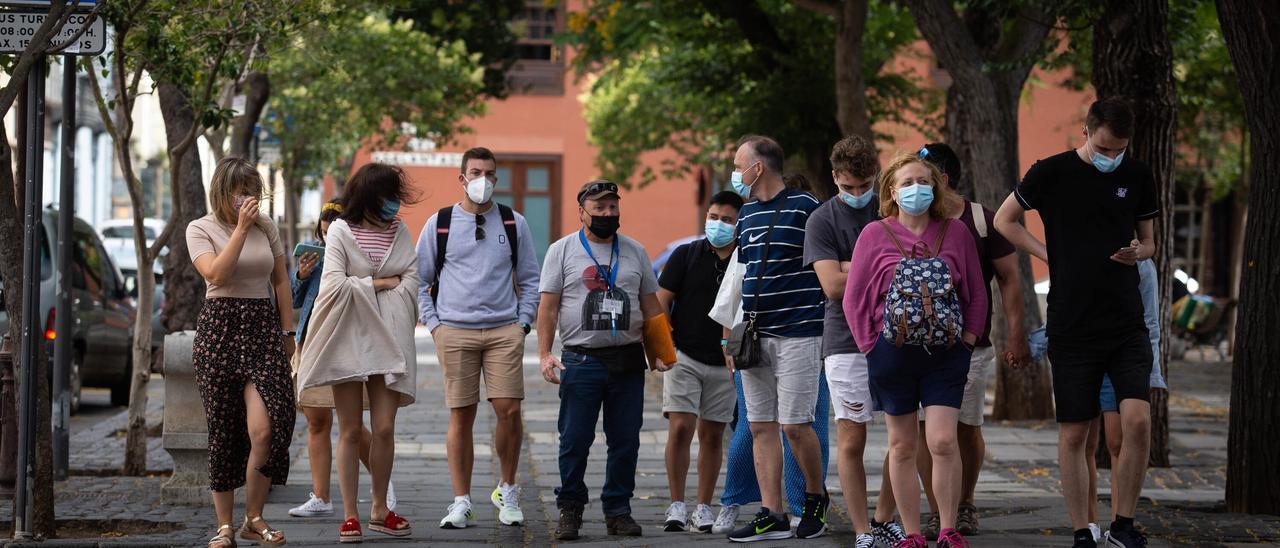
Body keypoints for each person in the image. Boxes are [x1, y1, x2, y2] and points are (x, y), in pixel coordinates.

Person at [994, 97, 1158, 548]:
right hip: (1071, 322)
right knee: (1075, 432)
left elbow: (1150, 242)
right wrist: (1048, 254)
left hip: (1126, 322)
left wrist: (1137, 253)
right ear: (1086, 132)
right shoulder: (1051, 171)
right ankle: (1082, 530)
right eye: (1104, 149)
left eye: (1119, 151)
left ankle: (1123, 525)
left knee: (1137, 421)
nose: (1111, 158)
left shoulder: (1138, 175)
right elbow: (1005, 220)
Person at [844, 152, 987, 548]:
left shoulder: (956, 233)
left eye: (923, 181)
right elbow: (854, 299)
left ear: (936, 186)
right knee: (902, 445)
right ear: (891, 190)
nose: (915, 189)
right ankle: (910, 534)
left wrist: (968, 341)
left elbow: (975, 292)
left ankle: (946, 527)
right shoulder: (874, 235)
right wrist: (870, 347)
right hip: (891, 355)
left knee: (942, 441)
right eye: (906, 183)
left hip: (947, 356)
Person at [538, 180, 676, 540]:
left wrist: (660, 352)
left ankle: (618, 510)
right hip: (581, 360)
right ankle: (570, 508)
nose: (607, 214)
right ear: (582, 211)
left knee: (626, 440)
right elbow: (548, 307)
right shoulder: (562, 250)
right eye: (599, 208)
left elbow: (650, 306)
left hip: (627, 360)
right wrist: (544, 354)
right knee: (574, 440)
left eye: (613, 207)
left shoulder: (635, 252)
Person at [416, 147, 541, 529]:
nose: (482, 180)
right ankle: (461, 500)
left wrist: (522, 325)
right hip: (454, 329)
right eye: (475, 172)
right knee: (461, 415)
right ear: (462, 177)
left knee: (510, 410)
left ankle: (507, 488)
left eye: (489, 173)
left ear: (495, 179)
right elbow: (420, 282)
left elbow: (530, 280)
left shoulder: (512, 222)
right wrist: (435, 326)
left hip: (504, 330)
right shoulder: (439, 223)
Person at [297, 163, 420, 543]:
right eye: (387, 195)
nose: (394, 203)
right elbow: (331, 287)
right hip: (346, 341)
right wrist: (381, 283)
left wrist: (363, 286)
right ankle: (350, 514)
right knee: (350, 429)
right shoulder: (340, 232)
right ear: (369, 196)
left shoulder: (400, 231)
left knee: (384, 428)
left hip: (390, 342)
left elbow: (412, 282)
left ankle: (380, 508)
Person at [913, 142, 1030, 537]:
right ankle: (936, 509)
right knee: (924, 431)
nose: (914, 185)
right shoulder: (911, 220)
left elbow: (1010, 280)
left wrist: (1016, 334)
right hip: (917, 346)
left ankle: (965, 503)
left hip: (971, 347)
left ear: (942, 179)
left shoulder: (982, 221)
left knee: (965, 429)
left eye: (921, 176)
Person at [803, 135, 911, 548]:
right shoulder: (822, 220)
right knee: (852, 436)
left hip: (900, 334)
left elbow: (915, 263)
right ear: (834, 178)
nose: (857, 194)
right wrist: (882, 263)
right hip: (845, 339)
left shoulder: (892, 208)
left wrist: (855, 266)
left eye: (864, 185)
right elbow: (832, 286)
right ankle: (863, 530)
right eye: (848, 187)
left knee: (902, 437)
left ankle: (885, 518)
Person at [721, 135, 829, 542]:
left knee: (795, 426)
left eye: (738, 164)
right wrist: (732, 336)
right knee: (760, 424)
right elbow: (740, 279)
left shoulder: (807, 208)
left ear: (758, 167)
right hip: (753, 336)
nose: (736, 172)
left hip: (799, 334)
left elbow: (826, 264)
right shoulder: (746, 215)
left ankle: (815, 499)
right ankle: (773, 513)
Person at [187, 157, 297, 547]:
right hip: (220, 329)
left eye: (253, 190)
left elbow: (281, 280)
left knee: (267, 427)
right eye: (241, 191)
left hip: (262, 328)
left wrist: (288, 331)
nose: (248, 198)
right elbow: (215, 273)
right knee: (224, 431)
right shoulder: (200, 228)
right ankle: (224, 526)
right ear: (222, 192)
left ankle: (254, 517)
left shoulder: (267, 227)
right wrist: (240, 229)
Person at [707, 246, 838, 537]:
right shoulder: (752, 227)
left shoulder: (810, 228)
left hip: (803, 341)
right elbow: (731, 296)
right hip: (752, 346)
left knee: (800, 428)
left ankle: (806, 505)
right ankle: (746, 504)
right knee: (752, 429)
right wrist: (728, 345)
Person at [288, 201, 397, 518]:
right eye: (322, 235)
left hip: (347, 341)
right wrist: (301, 274)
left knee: (352, 425)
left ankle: (382, 480)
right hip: (311, 341)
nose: (326, 241)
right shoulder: (316, 256)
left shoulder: (357, 254)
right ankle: (321, 496)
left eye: (331, 234)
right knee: (316, 420)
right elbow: (295, 298)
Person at [656, 190, 743, 532]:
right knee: (680, 427)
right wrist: (665, 347)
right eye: (713, 217)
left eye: (726, 220)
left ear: (739, 224)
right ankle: (677, 504)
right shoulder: (685, 255)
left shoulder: (743, 259)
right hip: (685, 357)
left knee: (712, 434)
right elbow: (661, 300)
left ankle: (704, 506)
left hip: (726, 362)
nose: (718, 224)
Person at [1084, 258, 1167, 542]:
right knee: (1083, 440)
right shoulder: (1077, 247)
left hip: (1122, 357)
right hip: (1081, 354)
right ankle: (1088, 523)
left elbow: (1151, 321)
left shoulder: (1141, 263)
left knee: (1118, 441)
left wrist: (1152, 373)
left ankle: (1120, 523)